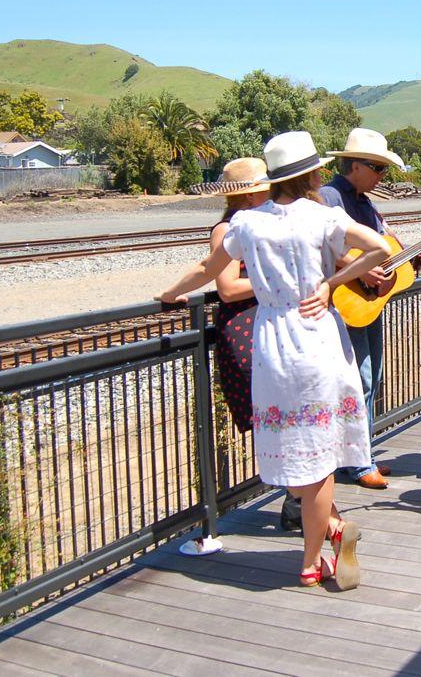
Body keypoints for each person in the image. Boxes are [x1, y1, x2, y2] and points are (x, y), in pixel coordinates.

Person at [159, 130, 392, 589]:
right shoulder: (324, 216)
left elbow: (207, 273)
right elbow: (381, 250)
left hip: (273, 343)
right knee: (322, 453)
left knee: (293, 448)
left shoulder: (247, 224)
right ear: (313, 173)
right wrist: (332, 281)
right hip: (318, 337)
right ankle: (311, 559)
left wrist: (168, 294)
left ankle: (332, 532)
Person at [319, 127, 421, 489]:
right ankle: (358, 463)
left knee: (370, 379)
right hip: (345, 301)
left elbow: (393, 253)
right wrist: (361, 270)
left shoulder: (366, 204)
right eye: (378, 169)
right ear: (356, 166)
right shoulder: (329, 196)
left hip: (368, 304)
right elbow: (322, 244)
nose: (383, 176)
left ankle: (360, 456)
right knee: (359, 380)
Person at [179, 157, 271, 556]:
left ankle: (295, 499)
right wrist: (276, 280)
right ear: (249, 194)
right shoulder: (227, 229)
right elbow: (229, 288)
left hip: (264, 324)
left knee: (278, 418)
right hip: (245, 328)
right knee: (269, 418)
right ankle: (297, 499)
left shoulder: (260, 223)